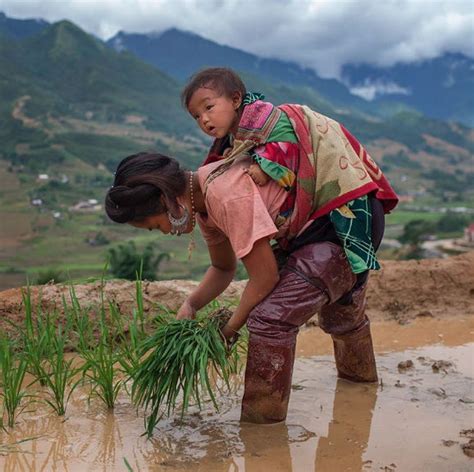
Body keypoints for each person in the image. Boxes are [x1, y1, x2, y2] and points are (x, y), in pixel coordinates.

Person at [105, 77, 398, 423]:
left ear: (166, 199)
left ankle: (262, 431)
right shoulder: (203, 201)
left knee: (269, 319)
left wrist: (229, 329)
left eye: (156, 225)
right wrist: (191, 304)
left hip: (341, 224)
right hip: (316, 230)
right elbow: (223, 269)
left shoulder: (224, 195)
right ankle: (361, 393)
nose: (165, 232)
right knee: (340, 314)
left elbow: (264, 277)